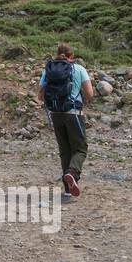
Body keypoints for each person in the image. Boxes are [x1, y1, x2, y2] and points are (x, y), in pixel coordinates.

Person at [37, 42, 95, 199]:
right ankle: (72, 173)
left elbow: (40, 96)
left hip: (55, 114)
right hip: (73, 113)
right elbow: (90, 94)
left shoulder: (48, 70)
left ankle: (68, 189)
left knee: (65, 151)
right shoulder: (79, 69)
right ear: (72, 56)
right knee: (80, 148)